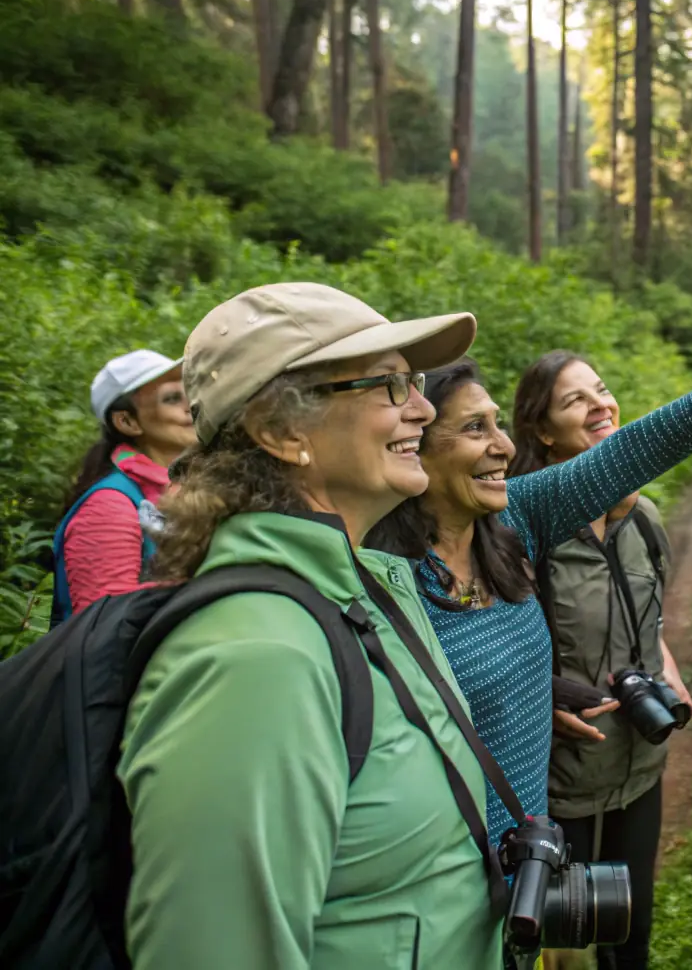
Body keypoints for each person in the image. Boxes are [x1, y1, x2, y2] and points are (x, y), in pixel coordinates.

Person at [116, 281, 509, 969]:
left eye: (412, 382)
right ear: (280, 430)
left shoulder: (365, 585)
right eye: (388, 386)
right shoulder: (255, 660)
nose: (421, 407)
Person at [366, 355, 692, 860]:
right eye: (474, 428)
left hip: (524, 853)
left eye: (498, 424)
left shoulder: (515, 518)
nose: (502, 446)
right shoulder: (382, 576)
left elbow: (623, 457)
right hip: (443, 864)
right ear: (414, 447)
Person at [507, 351, 690, 970]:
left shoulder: (643, 519)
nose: (599, 405)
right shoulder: (523, 531)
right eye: (573, 400)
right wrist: (544, 697)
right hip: (563, 777)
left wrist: (669, 672)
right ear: (540, 430)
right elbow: (491, 644)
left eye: (601, 390)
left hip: (642, 758)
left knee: (631, 926)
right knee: (571, 939)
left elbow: (652, 618)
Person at [51, 350, 195, 622]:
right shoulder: (109, 507)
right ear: (127, 422)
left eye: (190, 393)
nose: (191, 406)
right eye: (172, 398)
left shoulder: (192, 487)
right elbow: (106, 628)